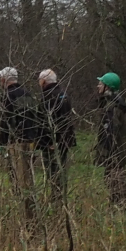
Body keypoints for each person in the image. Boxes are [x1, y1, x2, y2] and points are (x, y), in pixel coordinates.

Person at [0, 67, 42, 220]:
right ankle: (31, 206)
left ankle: (21, 208)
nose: (0, 81)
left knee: (17, 177)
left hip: (15, 142)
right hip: (31, 141)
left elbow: (6, 120)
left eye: (0, 78)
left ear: (4, 79)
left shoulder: (8, 96)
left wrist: (2, 142)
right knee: (29, 176)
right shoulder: (28, 94)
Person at [35, 69, 77, 205]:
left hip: (53, 144)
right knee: (62, 171)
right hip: (65, 141)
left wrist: (47, 142)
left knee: (53, 174)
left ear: (44, 81)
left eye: (40, 80)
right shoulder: (63, 94)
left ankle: (57, 202)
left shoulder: (48, 97)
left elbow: (46, 122)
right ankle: (61, 200)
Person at [95, 72, 126, 207]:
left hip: (114, 152)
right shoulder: (109, 103)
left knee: (116, 180)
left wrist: (106, 152)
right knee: (112, 180)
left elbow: (111, 132)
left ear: (108, 87)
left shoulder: (112, 107)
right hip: (115, 151)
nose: (98, 85)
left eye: (101, 83)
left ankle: (120, 208)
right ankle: (117, 207)